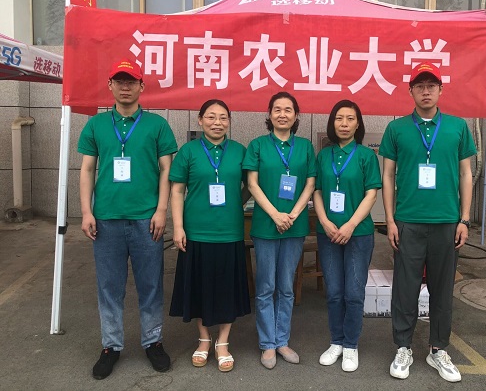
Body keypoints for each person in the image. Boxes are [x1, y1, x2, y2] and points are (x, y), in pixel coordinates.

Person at [78, 58, 178, 380]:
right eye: (119, 81)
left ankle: (153, 341)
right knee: (109, 286)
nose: (125, 86)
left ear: (141, 86)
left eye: (131, 81)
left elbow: (167, 169)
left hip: (147, 220)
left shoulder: (157, 125)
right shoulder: (96, 125)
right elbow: (87, 169)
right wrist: (86, 211)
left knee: (151, 284)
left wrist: (161, 210)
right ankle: (111, 346)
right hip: (106, 219)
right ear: (110, 85)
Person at [379, 62, 477, 383]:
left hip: (447, 222)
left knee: (442, 289)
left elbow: (466, 174)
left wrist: (464, 219)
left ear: (440, 90)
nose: (425, 91)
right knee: (405, 288)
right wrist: (390, 220)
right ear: (410, 91)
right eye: (419, 86)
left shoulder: (457, 127)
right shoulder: (396, 129)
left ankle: (438, 349)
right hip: (408, 221)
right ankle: (403, 347)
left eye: (431, 85)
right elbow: (388, 176)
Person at [169, 99, 251, 373]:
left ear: (229, 121)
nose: (218, 122)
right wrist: (178, 227)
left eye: (223, 117)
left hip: (230, 232)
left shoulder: (239, 151)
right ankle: (204, 339)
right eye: (211, 117)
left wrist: (236, 203)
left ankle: (223, 342)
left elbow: (250, 185)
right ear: (200, 120)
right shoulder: (188, 151)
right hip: (196, 231)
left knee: (227, 289)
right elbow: (177, 190)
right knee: (199, 287)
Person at [242, 91, 316, 369]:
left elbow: (310, 184)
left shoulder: (305, 147)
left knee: (286, 286)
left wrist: (293, 214)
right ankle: (267, 343)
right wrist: (275, 214)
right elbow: (252, 184)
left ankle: (282, 339)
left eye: (288, 110)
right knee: (265, 286)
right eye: (277, 109)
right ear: (269, 114)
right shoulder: (258, 145)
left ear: (296, 116)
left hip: (294, 226)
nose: (282, 114)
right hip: (266, 225)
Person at [313, 100, 382, 372]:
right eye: (339, 118)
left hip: (359, 234)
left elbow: (371, 194)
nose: (344, 123)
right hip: (328, 233)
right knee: (333, 292)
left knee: (353, 293)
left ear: (358, 124)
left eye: (350, 119)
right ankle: (336, 341)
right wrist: (324, 221)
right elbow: (317, 190)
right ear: (332, 123)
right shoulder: (323, 156)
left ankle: (351, 345)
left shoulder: (366, 156)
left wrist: (351, 225)